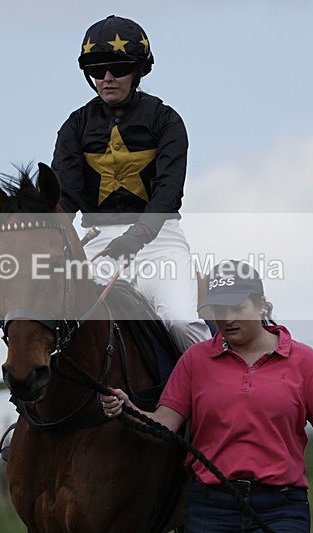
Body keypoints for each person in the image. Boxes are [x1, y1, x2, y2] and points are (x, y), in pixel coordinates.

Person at [100, 260, 313, 533]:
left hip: (282, 509)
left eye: (237, 308)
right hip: (210, 509)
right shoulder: (194, 361)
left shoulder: (305, 362)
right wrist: (128, 410)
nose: (227, 319)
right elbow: (163, 427)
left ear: (261, 304)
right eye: (220, 309)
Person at [51, 15, 210, 352]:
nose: (107, 78)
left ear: (138, 70)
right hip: (97, 244)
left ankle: (217, 398)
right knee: (54, 322)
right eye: (97, 70)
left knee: (182, 321)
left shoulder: (166, 120)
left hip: (158, 240)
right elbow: (66, 196)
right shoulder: (74, 127)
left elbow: (167, 194)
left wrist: (135, 238)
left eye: (117, 68)